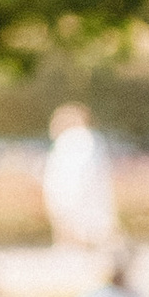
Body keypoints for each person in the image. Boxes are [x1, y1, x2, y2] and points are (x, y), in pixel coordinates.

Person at [42, 97, 118, 256]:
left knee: (80, 240)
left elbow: (77, 175)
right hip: (78, 198)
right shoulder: (84, 140)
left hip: (75, 198)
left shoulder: (77, 140)